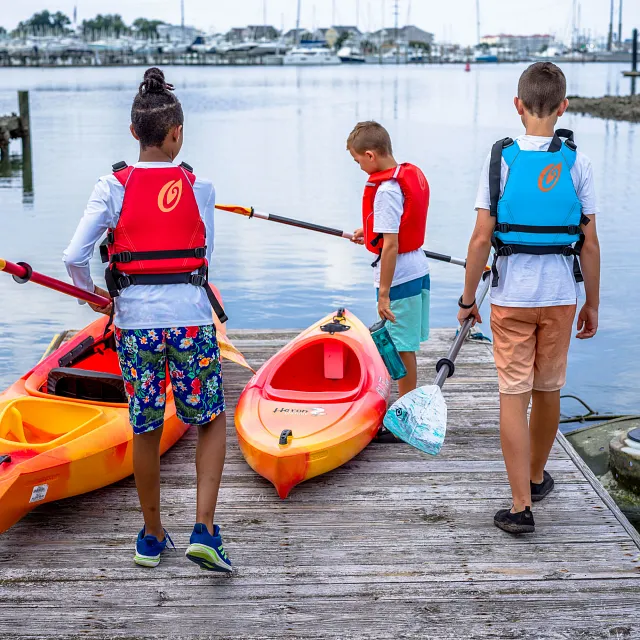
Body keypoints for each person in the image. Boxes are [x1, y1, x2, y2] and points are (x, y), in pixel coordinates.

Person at [63, 67, 232, 571]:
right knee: (210, 419)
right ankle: (203, 529)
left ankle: (152, 536)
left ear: (134, 132)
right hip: (191, 321)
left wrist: (92, 296)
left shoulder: (110, 185)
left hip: (135, 326)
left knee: (145, 426)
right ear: (176, 133)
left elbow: (74, 255)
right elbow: (205, 257)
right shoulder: (199, 185)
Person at [458, 62, 600, 534]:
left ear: (517, 106)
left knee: (512, 397)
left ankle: (521, 506)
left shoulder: (499, 158)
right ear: (563, 107)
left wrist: (465, 298)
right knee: (548, 390)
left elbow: (481, 238)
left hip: (510, 298)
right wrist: (592, 303)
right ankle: (538, 476)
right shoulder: (577, 161)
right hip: (561, 297)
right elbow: (590, 244)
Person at [347, 121, 431, 401]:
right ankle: (407, 404)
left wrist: (383, 294)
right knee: (404, 346)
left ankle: (407, 412)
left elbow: (392, 245)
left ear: (370, 155)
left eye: (358, 160)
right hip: (416, 269)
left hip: (399, 278)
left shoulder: (385, 192)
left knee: (400, 347)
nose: (359, 167)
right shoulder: (401, 179)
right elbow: (395, 230)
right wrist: (370, 233)